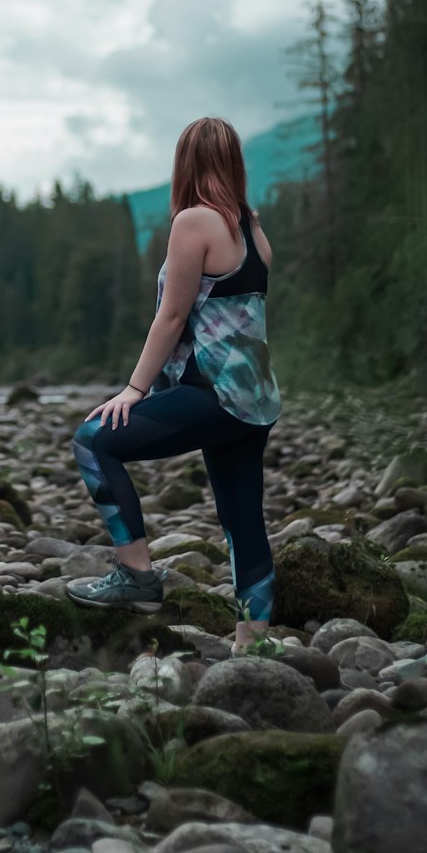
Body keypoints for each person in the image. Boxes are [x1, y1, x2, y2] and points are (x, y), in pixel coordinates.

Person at [66, 116, 282, 654]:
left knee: (93, 441)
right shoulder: (251, 228)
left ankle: (136, 576)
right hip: (253, 400)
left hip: (214, 393)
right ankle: (252, 646)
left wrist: (134, 391)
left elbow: (172, 315)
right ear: (233, 161)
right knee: (241, 519)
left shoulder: (194, 222)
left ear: (184, 163)